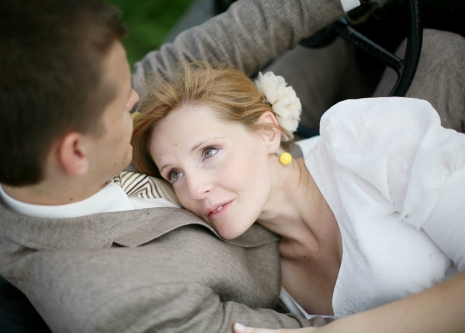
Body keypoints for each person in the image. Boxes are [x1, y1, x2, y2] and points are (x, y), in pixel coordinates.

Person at [0, 0, 357, 331]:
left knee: (353, 43)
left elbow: (189, 58)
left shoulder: (23, 135)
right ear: (76, 154)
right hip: (319, 288)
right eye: (123, 104)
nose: (137, 96)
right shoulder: (118, 304)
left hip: (276, 164)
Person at [131, 61, 465, 333]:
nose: (194, 189)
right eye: (174, 174)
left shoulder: (357, 139)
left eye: (209, 151)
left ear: (268, 133)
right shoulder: (260, 275)